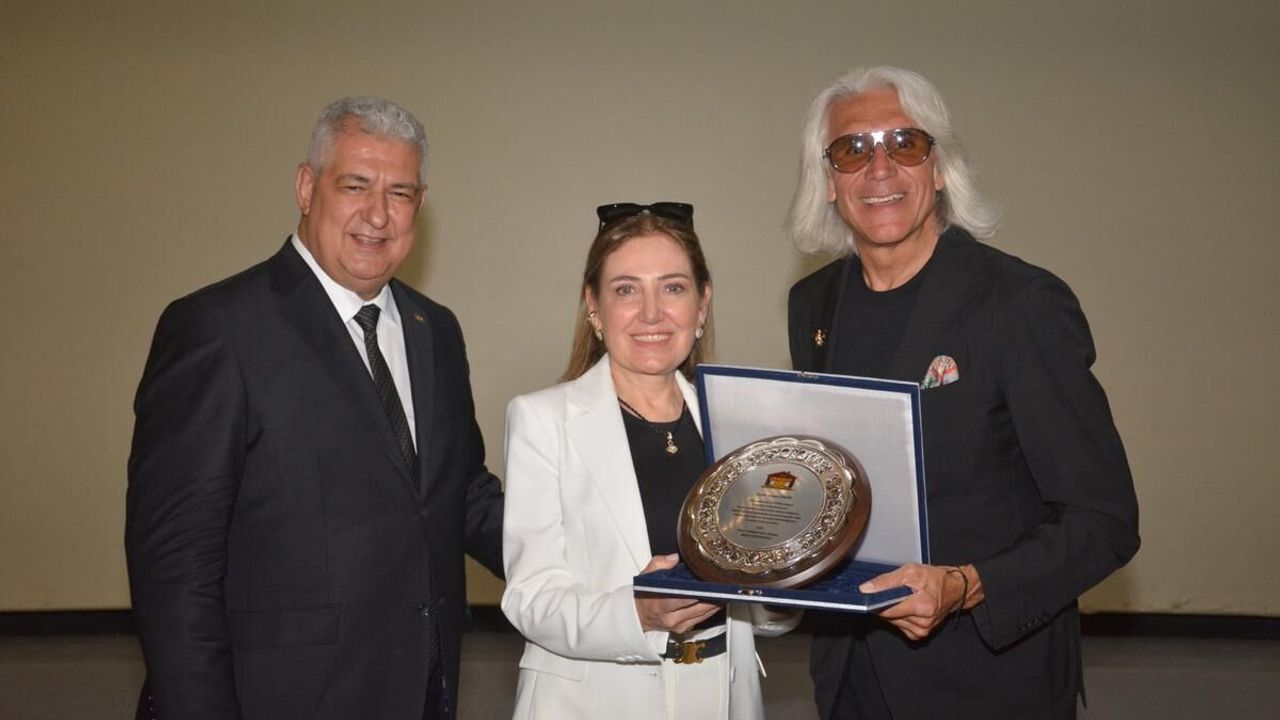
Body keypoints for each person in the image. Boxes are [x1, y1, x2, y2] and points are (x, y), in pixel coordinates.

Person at [125, 97, 503, 720]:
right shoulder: (217, 329)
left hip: (418, 687)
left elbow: (459, 493)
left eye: (400, 193)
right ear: (306, 187)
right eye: (355, 186)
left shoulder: (434, 329)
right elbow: (176, 569)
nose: (377, 214)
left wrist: (589, 562)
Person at [785, 67, 1140, 718]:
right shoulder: (813, 304)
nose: (880, 168)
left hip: (986, 677)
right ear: (829, 181)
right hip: (850, 673)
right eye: (852, 150)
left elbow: (1104, 520)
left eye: (905, 144)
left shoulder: (1020, 304)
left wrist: (965, 585)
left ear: (940, 167)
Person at [501, 203, 798, 720]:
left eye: (673, 288)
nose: (652, 313)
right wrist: (636, 614)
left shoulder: (739, 428)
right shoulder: (542, 420)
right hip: (592, 702)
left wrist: (788, 585)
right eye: (626, 290)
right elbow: (531, 597)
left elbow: (765, 610)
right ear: (594, 307)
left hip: (725, 696)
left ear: (702, 304)